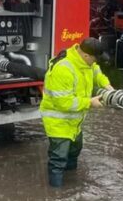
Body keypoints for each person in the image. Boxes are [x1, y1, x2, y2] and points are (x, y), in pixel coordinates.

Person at [40, 38, 113, 187]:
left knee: (74, 151)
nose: (95, 63)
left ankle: (71, 184)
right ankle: (56, 193)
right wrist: (89, 102)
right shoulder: (63, 69)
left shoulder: (86, 63)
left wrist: (108, 87)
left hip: (74, 122)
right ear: (86, 55)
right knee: (58, 159)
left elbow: (97, 72)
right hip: (58, 122)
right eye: (94, 59)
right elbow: (64, 102)